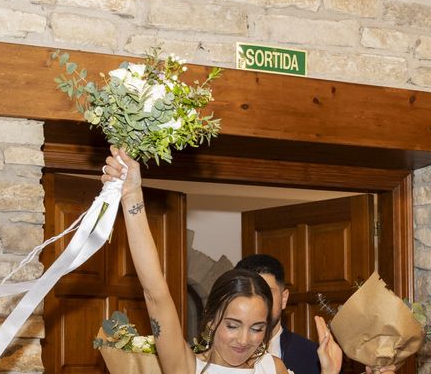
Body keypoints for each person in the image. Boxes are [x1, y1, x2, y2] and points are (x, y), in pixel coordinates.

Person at [102, 146, 343, 374]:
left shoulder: (272, 367)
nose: (244, 340)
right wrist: (131, 195)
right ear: (212, 319)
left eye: (257, 328)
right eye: (232, 325)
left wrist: (330, 371)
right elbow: (155, 292)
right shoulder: (186, 366)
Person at [236, 254, 322, 374]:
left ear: (283, 299)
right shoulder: (218, 355)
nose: (257, 303)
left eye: (266, 293)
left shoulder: (313, 356)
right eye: (247, 293)